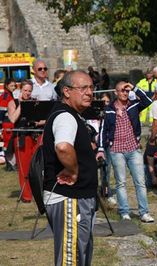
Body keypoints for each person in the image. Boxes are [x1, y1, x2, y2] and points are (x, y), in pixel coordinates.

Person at [42, 70, 97, 265]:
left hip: (77, 197)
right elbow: (63, 147)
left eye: (91, 87)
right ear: (66, 91)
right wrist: (73, 171)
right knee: (70, 259)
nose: (89, 92)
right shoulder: (65, 116)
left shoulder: (71, 115)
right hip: (69, 198)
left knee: (78, 256)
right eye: (83, 88)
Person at [97, 81, 154, 222]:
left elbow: (148, 100)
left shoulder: (133, 105)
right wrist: (100, 148)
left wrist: (134, 87)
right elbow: (103, 130)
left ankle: (144, 212)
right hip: (116, 150)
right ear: (115, 93)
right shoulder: (109, 109)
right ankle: (124, 212)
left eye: (127, 90)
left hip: (133, 148)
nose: (125, 93)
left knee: (140, 182)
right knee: (121, 183)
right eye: (122, 90)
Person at [7, 80, 38, 202]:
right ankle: (26, 196)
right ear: (20, 90)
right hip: (21, 137)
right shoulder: (13, 102)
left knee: (35, 166)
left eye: (30, 91)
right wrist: (21, 104)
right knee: (24, 167)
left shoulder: (34, 101)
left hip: (34, 136)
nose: (28, 93)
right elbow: (13, 118)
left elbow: (41, 119)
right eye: (25, 90)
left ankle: (37, 193)